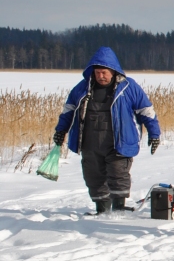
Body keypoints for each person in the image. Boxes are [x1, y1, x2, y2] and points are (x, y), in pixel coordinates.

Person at [53, 47, 161, 214]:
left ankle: (119, 209)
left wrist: (154, 134)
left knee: (118, 175)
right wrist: (61, 130)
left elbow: (146, 111)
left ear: (113, 71)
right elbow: (68, 111)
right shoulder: (82, 88)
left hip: (119, 142)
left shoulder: (128, 87)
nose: (100, 76)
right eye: (97, 72)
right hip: (90, 143)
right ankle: (102, 210)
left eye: (104, 72)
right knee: (93, 177)